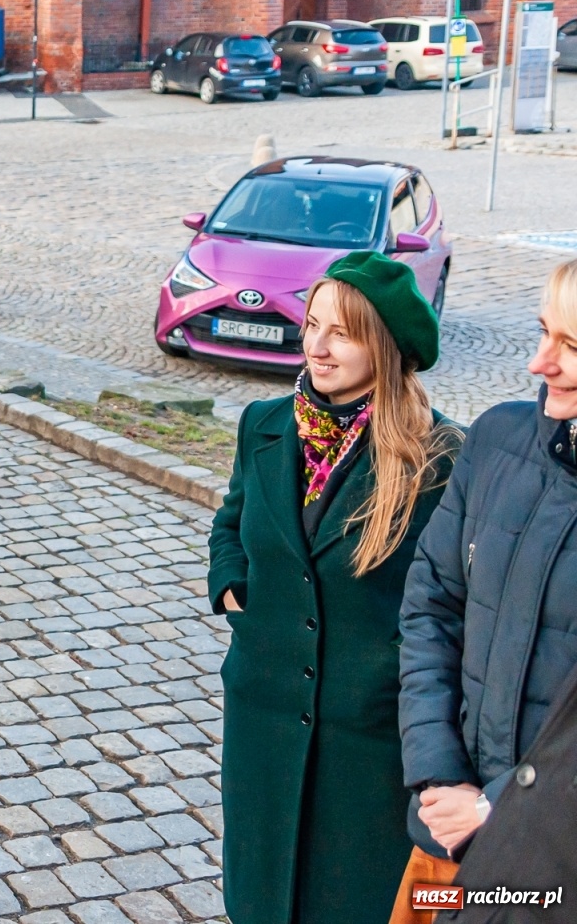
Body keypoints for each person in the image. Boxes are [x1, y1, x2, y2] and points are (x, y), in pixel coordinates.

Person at [208, 251, 458, 924]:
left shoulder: (438, 459)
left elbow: (453, 606)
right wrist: (232, 586)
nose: (316, 346)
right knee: (259, 900)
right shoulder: (264, 424)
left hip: (368, 742)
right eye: (312, 324)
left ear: (384, 344)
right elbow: (232, 520)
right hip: (262, 715)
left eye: (341, 333)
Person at [399, 258, 577, 912]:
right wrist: (439, 774)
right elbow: (430, 608)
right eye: (542, 333)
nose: (539, 363)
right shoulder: (498, 439)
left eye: (571, 346)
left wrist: (499, 809)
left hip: (554, 861)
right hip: (444, 835)